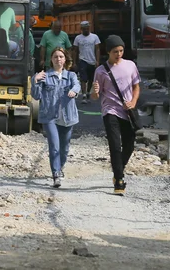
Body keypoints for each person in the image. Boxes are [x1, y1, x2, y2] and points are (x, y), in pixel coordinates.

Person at [91, 35, 141, 195]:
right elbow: (94, 96)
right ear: (108, 52)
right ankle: (119, 180)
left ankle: (119, 167)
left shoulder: (130, 65)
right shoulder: (101, 71)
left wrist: (133, 102)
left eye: (121, 51)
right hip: (110, 111)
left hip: (127, 111)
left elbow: (136, 87)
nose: (119, 54)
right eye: (115, 51)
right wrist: (95, 91)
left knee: (129, 144)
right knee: (114, 145)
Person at [31, 47, 81, 188]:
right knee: (54, 146)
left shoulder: (70, 76)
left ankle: (60, 167)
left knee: (64, 148)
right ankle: (56, 174)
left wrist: (73, 91)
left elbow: (77, 86)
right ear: (51, 60)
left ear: (65, 59)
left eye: (61, 57)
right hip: (49, 116)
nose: (58, 59)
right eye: (55, 57)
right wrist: (35, 80)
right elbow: (36, 96)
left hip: (67, 117)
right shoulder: (45, 76)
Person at [73, 21, 101, 104]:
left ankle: (88, 92)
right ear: (81, 29)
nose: (86, 30)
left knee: (90, 79)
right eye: (84, 29)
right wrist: (74, 62)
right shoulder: (78, 38)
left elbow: (97, 49)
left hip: (92, 61)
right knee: (83, 78)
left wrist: (97, 60)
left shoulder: (94, 37)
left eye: (87, 28)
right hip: (83, 60)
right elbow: (75, 50)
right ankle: (84, 95)